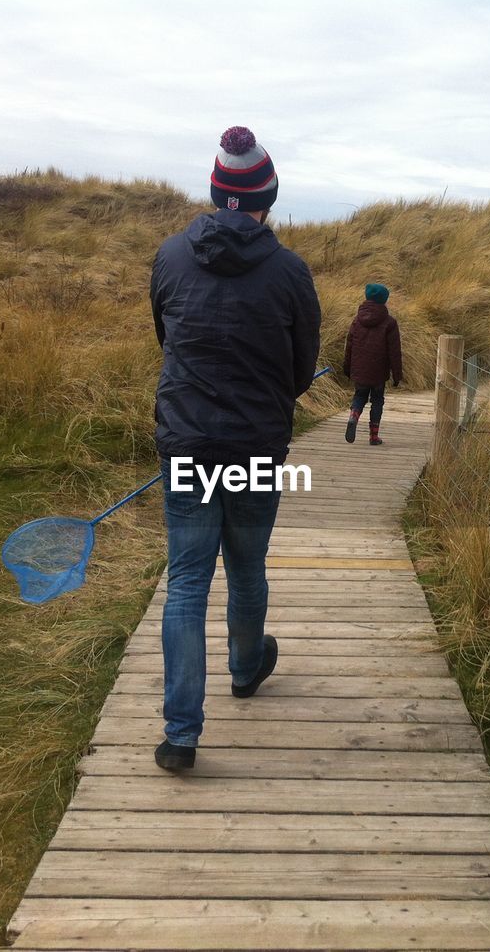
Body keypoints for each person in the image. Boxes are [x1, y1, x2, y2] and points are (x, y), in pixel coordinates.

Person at [149, 126, 322, 770]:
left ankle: (181, 734)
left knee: (187, 580)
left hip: (188, 443)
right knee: (246, 568)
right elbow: (302, 370)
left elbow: (166, 339)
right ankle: (246, 668)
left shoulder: (170, 256)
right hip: (254, 446)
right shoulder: (289, 272)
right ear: (267, 196)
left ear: (216, 189)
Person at [342, 283, 403, 445]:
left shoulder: (357, 321)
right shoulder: (390, 323)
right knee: (377, 400)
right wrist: (397, 375)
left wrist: (347, 368)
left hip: (360, 369)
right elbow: (394, 352)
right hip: (378, 371)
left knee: (359, 396)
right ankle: (373, 436)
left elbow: (349, 346)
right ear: (384, 300)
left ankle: (353, 416)